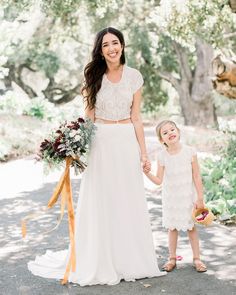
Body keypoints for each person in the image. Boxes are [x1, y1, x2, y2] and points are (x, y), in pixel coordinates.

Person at [28, 27, 166, 285]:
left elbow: (137, 117)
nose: (112, 48)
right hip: (100, 142)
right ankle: (99, 258)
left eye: (116, 43)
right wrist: (75, 144)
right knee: (101, 198)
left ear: (122, 46)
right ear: (100, 51)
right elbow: (89, 116)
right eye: (106, 45)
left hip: (126, 141)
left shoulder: (135, 77)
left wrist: (144, 153)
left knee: (127, 198)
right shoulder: (93, 76)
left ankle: (130, 259)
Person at [144, 120, 207, 273]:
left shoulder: (190, 151)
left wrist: (200, 198)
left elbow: (197, 176)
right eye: (165, 133)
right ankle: (172, 258)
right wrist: (147, 172)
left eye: (172, 129)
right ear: (161, 140)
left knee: (191, 228)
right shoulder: (162, 156)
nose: (170, 133)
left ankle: (197, 258)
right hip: (171, 198)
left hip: (188, 197)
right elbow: (159, 180)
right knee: (172, 228)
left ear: (178, 131)